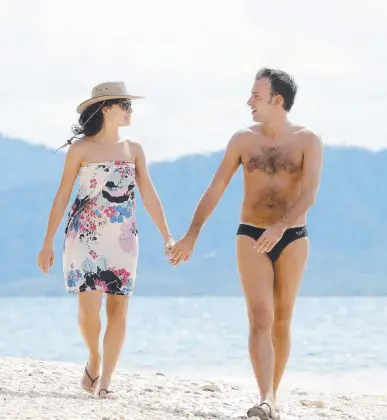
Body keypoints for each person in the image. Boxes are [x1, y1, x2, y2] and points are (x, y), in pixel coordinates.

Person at [169, 68, 323, 419]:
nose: (249, 102)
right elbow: (216, 187)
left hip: (293, 237)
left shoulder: (308, 140)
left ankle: (274, 395)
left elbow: (310, 193)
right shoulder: (242, 140)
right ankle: (265, 397)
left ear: (277, 100)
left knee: (282, 319)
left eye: (256, 95)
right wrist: (192, 234)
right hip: (251, 233)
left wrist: (282, 226)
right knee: (260, 317)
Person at [36, 81, 175, 399]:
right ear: (106, 109)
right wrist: (47, 241)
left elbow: (149, 195)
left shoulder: (134, 149)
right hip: (84, 236)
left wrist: (167, 235)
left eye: (130, 105)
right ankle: (94, 359)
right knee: (88, 310)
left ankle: (107, 382)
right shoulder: (81, 149)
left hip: (124, 238)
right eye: (125, 104)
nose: (130, 110)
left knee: (119, 309)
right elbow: (61, 196)